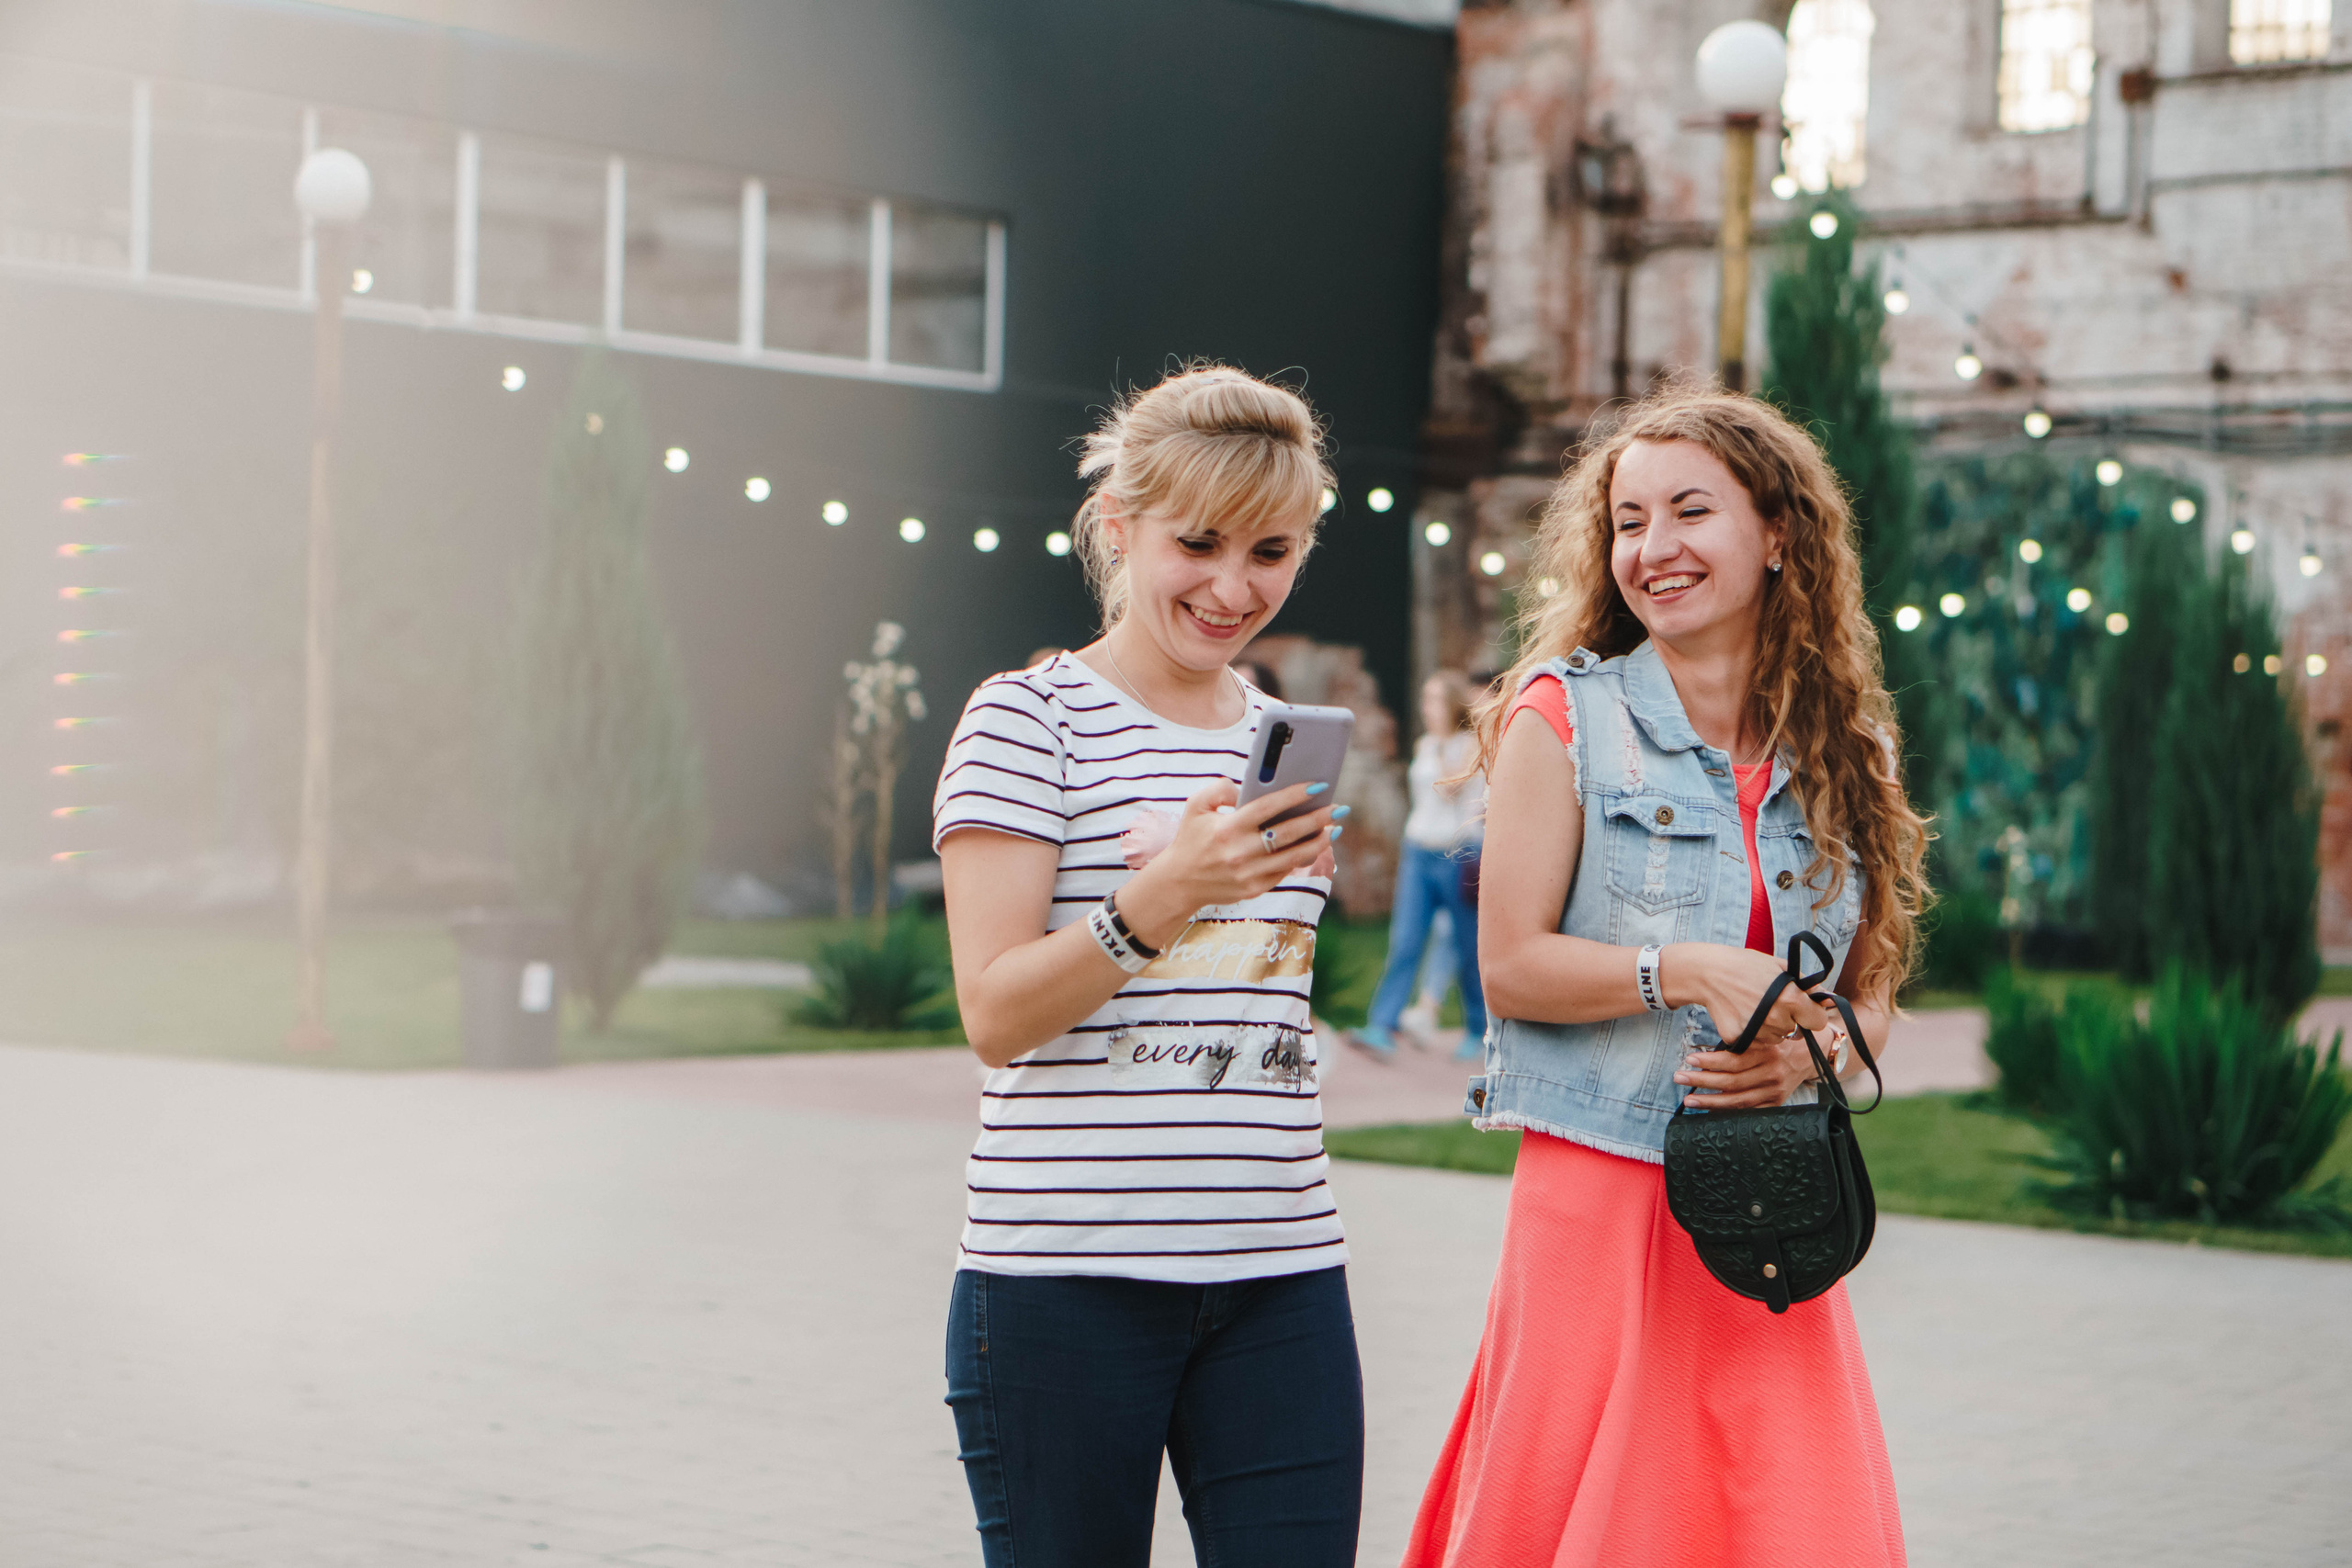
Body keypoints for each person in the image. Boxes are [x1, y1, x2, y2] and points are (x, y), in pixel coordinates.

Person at [1401, 389, 1930, 1568]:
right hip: (1599, 1196)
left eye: (1691, 511)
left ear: (1779, 533)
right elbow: (1510, 968)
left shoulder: (1846, 741)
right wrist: (1681, 968)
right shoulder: (1564, 718)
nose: (1654, 548)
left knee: (1777, 1522)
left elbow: (1875, 981)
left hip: (1771, 1210)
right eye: (1630, 520)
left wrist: (1824, 1050)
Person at [933, 364, 1360, 1568]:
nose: (1234, 587)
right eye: (1200, 542)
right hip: (1062, 1278)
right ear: (1120, 529)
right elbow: (996, 1013)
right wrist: (1164, 893)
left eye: (1272, 550)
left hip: (1281, 1268)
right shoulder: (1027, 719)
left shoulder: (1281, 739)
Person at [1347, 670, 1486, 1060]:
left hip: (1459, 855)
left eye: (1436, 700)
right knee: (1405, 940)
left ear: (1453, 704)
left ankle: (1479, 1029)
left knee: (1467, 945)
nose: (1427, 708)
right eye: (1426, 699)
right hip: (1419, 851)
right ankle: (1382, 1026)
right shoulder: (1426, 745)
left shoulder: (1470, 744)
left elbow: (1452, 787)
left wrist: (1444, 746)